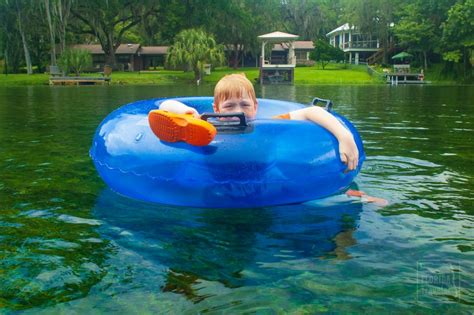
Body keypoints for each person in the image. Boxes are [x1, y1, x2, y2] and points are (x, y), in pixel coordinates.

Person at [150, 73, 360, 171]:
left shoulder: (267, 125)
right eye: (229, 106)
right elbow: (164, 105)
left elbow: (311, 111)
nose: (238, 111)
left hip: (262, 177)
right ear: (216, 109)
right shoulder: (206, 126)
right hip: (214, 176)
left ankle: (350, 194)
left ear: (256, 107)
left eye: (245, 105)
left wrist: (344, 135)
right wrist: (187, 112)